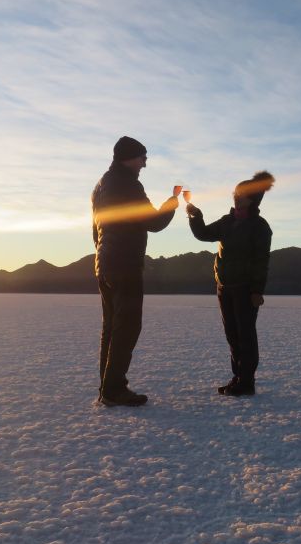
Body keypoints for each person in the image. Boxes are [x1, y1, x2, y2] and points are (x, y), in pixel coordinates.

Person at [92, 136, 180, 406]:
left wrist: (102, 255)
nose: (145, 163)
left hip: (105, 264)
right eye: (142, 157)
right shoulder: (128, 184)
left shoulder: (101, 185)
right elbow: (153, 222)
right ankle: (114, 389)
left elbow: (96, 228)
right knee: (127, 326)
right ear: (128, 158)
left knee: (112, 327)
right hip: (125, 265)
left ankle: (108, 387)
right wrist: (171, 203)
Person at [186, 171, 275, 396]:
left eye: (242, 195)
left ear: (253, 199)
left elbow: (261, 261)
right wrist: (195, 216)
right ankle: (237, 377)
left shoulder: (260, 227)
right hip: (224, 287)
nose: (236, 197)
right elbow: (204, 234)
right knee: (232, 335)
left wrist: (257, 290)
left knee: (245, 335)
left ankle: (247, 382)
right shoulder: (228, 221)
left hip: (245, 289)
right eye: (235, 194)